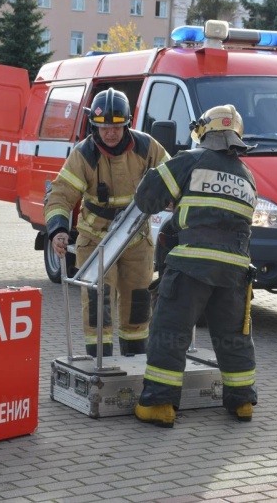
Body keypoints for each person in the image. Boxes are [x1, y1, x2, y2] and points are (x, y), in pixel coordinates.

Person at [132, 104, 258, 428]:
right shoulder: (247, 176)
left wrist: (172, 189)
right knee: (233, 337)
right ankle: (242, 400)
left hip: (191, 266)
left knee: (170, 332)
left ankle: (158, 404)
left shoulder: (191, 160)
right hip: (236, 269)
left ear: (204, 132)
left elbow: (147, 197)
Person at [46, 88, 170, 357]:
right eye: (103, 128)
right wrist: (57, 230)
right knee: (97, 306)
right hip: (95, 241)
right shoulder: (84, 155)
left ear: (127, 125)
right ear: (94, 126)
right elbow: (60, 195)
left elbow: (172, 177)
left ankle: (135, 363)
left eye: (116, 127)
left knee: (138, 305)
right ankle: (99, 367)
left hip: (136, 240)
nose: (110, 134)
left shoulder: (146, 147)